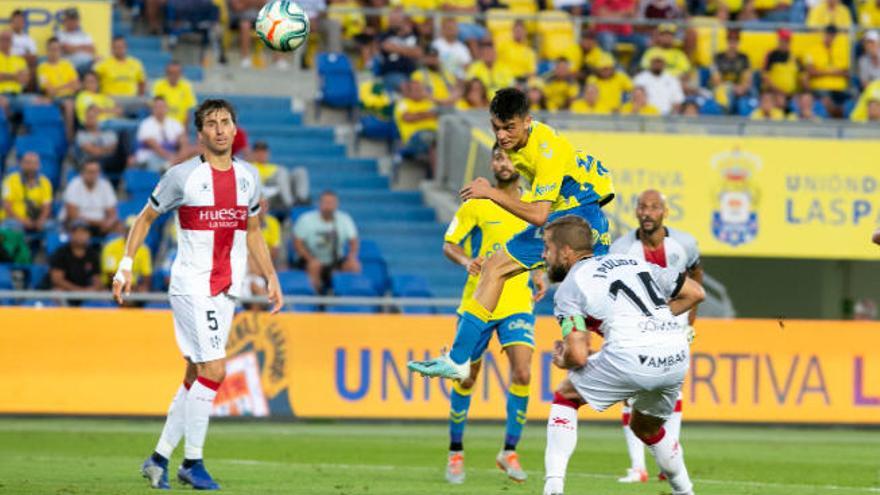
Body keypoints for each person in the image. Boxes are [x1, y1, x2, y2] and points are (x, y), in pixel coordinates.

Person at [113, 99, 283, 490]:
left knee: (195, 373)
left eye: (226, 122)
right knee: (216, 370)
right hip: (192, 284)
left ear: (235, 129)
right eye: (212, 123)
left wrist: (270, 276)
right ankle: (192, 462)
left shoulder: (248, 176)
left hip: (227, 288)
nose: (221, 129)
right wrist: (126, 265)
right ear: (200, 133)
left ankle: (157, 459)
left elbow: (252, 229)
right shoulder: (182, 177)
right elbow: (145, 219)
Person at [408, 88, 615, 380]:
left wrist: (490, 193)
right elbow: (542, 204)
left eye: (509, 128)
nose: (501, 135)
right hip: (562, 213)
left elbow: (540, 215)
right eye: (496, 127)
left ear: (527, 121)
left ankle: (644, 339)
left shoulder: (547, 151)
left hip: (583, 215)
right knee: (493, 268)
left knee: (597, 298)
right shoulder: (517, 145)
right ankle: (457, 361)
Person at [541, 214, 704, 495]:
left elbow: (578, 356)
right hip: (675, 354)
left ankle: (553, 487)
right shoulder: (635, 263)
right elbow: (696, 293)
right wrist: (656, 318)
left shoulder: (571, 286)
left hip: (631, 355)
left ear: (566, 252)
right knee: (647, 428)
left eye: (547, 248)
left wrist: (562, 358)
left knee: (566, 396)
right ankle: (685, 491)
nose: (544, 256)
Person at [441, 143, 547, 485]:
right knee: (466, 378)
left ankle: (509, 450)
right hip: (480, 303)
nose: (503, 162)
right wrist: (464, 260)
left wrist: (539, 272)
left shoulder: (532, 205)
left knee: (522, 372)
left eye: (508, 157)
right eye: (498, 157)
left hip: (517, 300)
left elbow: (538, 246)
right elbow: (450, 244)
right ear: (492, 163)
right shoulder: (477, 202)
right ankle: (456, 453)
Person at [609, 189, 703, 484]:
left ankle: (668, 457)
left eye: (653, 208)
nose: (647, 213)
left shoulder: (684, 243)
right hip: (636, 325)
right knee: (630, 392)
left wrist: (689, 321)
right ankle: (638, 467)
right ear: (635, 211)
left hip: (673, 323)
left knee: (672, 390)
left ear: (664, 212)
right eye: (642, 207)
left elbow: (696, 278)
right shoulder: (621, 248)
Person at [292, 190, 360, 293]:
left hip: (336, 259)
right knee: (314, 266)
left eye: (331, 203)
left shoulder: (344, 219)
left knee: (354, 265)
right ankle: (315, 299)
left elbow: (354, 241)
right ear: (319, 204)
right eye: (325, 203)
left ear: (336, 204)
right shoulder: (306, 220)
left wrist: (352, 256)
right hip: (310, 258)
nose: (328, 206)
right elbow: (297, 243)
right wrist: (310, 259)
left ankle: (348, 298)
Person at [134, 96, 197, 171]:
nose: (160, 109)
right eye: (157, 107)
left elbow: (183, 141)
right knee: (155, 161)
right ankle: (169, 167)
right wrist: (172, 158)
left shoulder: (175, 123)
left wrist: (180, 156)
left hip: (173, 156)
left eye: (162, 106)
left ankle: (169, 166)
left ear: (167, 108)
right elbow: (155, 147)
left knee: (196, 149)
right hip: (151, 155)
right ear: (152, 109)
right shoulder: (146, 124)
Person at [37, 37, 80, 139]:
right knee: (69, 105)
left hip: (72, 96)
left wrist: (58, 88)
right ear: (47, 51)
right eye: (51, 49)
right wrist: (67, 85)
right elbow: (49, 91)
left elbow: (77, 85)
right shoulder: (42, 67)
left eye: (57, 49)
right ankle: (69, 136)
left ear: (60, 50)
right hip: (54, 99)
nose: (54, 52)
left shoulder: (68, 65)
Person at [49, 220, 103, 302]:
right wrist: (78, 290)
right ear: (71, 234)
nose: (80, 236)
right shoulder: (61, 253)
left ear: (89, 235)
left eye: (84, 232)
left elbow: (97, 279)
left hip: (85, 290)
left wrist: (93, 289)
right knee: (57, 292)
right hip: (67, 291)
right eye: (77, 232)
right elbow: (57, 280)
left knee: (104, 293)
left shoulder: (93, 255)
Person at [62, 161, 118, 237]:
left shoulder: (105, 185)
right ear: (82, 172)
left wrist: (109, 223)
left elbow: (112, 213)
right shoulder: (74, 185)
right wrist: (99, 223)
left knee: (119, 227)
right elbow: (73, 215)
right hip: (80, 224)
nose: (93, 175)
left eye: (96, 172)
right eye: (90, 172)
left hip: (101, 226)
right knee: (79, 228)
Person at [250, 140, 310, 211]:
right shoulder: (251, 167)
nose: (261, 154)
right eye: (258, 152)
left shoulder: (274, 167)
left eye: (264, 151)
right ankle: (290, 205)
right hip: (267, 196)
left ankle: (302, 200)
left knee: (300, 171)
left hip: (281, 193)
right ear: (253, 153)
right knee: (282, 173)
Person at [1, 152, 52, 234]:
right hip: (13, 219)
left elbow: (46, 207)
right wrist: (23, 221)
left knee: (52, 226)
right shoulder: (10, 180)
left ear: (39, 166)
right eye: (27, 163)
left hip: (35, 220)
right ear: (21, 164)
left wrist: (41, 220)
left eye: (34, 163)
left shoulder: (45, 182)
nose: (31, 166)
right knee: (12, 226)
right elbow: (7, 207)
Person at [93, 36, 147, 112]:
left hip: (131, 99)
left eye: (121, 47)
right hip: (111, 99)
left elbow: (142, 83)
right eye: (116, 47)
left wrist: (138, 96)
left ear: (126, 47)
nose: (119, 50)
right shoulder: (103, 64)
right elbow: (92, 80)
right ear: (112, 49)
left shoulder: (136, 63)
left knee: (148, 102)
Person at [101, 216, 152, 293]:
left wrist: (141, 288)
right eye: (129, 230)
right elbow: (110, 274)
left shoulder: (144, 250)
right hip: (112, 286)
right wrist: (128, 287)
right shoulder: (110, 247)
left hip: (134, 288)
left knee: (144, 292)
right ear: (124, 231)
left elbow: (146, 275)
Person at [76, 105, 122, 173]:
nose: (90, 120)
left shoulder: (108, 132)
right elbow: (94, 152)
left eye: (92, 117)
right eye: (88, 117)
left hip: (109, 162)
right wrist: (105, 149)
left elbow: (113, 149)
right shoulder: (81, 135)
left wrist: (97, 149)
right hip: (87, 163)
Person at [152, 61, 197, 128]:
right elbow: (155, 108)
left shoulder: (187, 86)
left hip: (180, 126)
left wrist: (182, 131)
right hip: (161, 126)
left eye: (176, 73)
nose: (173, 75)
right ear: (166, 73)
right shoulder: (158, 85)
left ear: (181, 74)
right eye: (170, 73)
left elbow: (188, 112)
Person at [56, 8, 96, 73]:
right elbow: (67, 50)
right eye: (70, 19)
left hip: (88, 64)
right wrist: (83, 47)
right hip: (70, 67)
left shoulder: (85, 34)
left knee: (99, 61)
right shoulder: (60, 34)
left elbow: (93, 49)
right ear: (65, 20)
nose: (73, 22)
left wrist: (74, 47)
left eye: (74, 19)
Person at [0, 30, 29, 98]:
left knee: (41, 103)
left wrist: (4, 76)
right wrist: (15, 76)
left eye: (8, 39)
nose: (5, 42)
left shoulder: (20, 60)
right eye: (3, 39)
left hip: (17, 96)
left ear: (12, 42)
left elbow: (24, 80)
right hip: (0, 95)